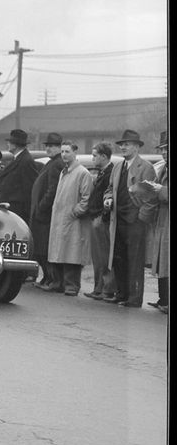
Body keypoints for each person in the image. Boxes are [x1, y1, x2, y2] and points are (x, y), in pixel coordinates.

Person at [104, 129, 157, 308]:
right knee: (119, 258)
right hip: (117, 219)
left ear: (136, 147)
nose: (123, 147)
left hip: (135, 222)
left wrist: (141, 219)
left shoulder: (146, 168)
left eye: (126, 144)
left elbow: (151, 198)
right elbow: (110, 188)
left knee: (134, 261)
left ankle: (134, 299)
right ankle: (121, 294)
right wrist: (108, 198)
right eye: (121, 145)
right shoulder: (118, 166)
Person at [47, 141, 93, 296]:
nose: (64, 155)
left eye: (67, 151)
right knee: (60, 251)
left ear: (75, 152)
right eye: (62, 152)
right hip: (61, 219)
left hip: (73, 220)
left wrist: (76, 212)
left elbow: (87, 197)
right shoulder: (64, 172)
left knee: (72, 253)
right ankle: (59, 283)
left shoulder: (82, 173)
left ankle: (72, 286)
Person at [29, 133, 65, 289]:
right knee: (40, 249)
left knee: (44, 248)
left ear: (59, 147)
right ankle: (47, 278)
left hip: (45, 214)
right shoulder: (51, 163)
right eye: (47, 146)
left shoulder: (57, 164)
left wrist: (42, 206)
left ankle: (52, 279)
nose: (48, 149)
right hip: (41, 213)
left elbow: (53, 189)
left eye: (52, 146)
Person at [84, 142, 117, 301]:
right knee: (97, 256)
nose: (93, 158)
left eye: (95, 155)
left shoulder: (110, 172)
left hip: (102, 219)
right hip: (96, 216)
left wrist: (102, 215)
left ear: (104, 156)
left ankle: (106, 289)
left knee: (104, 256)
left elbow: (109, 195)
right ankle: (98, 287)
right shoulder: (103, 172)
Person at [143, 131, 168, 314]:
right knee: (161, 259)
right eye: (163, 150)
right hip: (162, 219)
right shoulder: (164, 168)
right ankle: (163, 299)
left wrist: (162, 190)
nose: (165, 153)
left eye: (167, 149)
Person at [0, 129, 40, 223]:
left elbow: (29, 189)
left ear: (15, 144)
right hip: (10, 209)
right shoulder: (17, 159)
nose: (8, 144)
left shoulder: (26, 161)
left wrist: (27, 215)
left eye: (9, 142)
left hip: (18, 212)